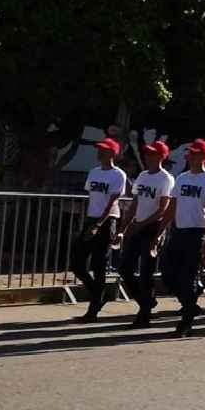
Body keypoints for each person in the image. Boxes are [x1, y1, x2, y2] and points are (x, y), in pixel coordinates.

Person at [159, 139, 205, 337]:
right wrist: (159, 232)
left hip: (197, 233)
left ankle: (186, 321)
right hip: (179, 232)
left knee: (189, 277)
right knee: (167, 273)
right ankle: (190, 305)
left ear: (204, 156)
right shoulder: (182, 178)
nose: (190, 157)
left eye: (195, 153)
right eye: (189, 154)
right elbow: (172, 208)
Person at [116, 141, 173, 328]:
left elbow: (163, 209)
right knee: (125, 267)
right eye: (147, 154)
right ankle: (146, 302)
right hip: (138, 226)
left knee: (146, 272)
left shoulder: (166, 179)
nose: (148, 157)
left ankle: (144, 314)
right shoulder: (142, 176)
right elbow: (135, 202)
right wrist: (124, 226)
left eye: (152, 154)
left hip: (152, 227)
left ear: (161, 157)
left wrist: (144, 224)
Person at [71, 138, 127, 323]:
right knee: (77, 262)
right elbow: (91, 197)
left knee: (99, 264)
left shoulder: (118, 175)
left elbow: (113, 202)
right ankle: (97, 292)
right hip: (91, 218)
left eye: (104, 150)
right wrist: (87, 221)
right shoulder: (94, 172)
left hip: (107, 219)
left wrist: (99, 224)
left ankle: (93, 308)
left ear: (112, 153)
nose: (100, 153)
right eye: (99, 150)